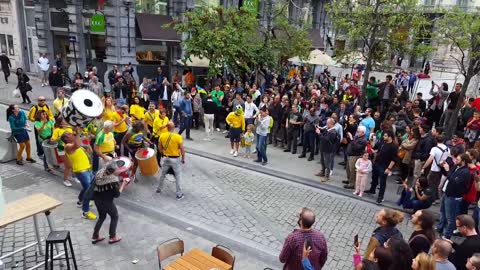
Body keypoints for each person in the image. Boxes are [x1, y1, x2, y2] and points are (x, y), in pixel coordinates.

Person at [61, 129, 97, 220]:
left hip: (87, 169)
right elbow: (77, 144)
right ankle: (85, 212)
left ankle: (80, 201)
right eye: (69, 134)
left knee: (86, 188)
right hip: (82, 171)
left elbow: (83, 147)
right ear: (66, 139)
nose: (71, 133)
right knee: (88, 191)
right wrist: (77, 133)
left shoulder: (74, 144)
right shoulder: (68, 146)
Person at [438, 154, 471, 239]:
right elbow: (448, 175)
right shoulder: (456, 166)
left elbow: (454, 182)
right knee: (443, 212)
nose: (456, 160)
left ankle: (447, 235)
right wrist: (443, 167)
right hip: (447, 193)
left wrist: (448, 170)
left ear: (463, 161)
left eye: (458, 159)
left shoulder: (465, 172)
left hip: (453, 196)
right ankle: (440, 228)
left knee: (451, 217)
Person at [91, 160, 123, 244]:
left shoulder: (99, 172)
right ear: (113, 171)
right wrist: (123, 184)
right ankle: (112, 237)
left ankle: (95, 236)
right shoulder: (113, 181)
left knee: (102, 217)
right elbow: (117, 195)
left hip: (97, 200)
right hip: (107, 202)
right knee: (114, 216)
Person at [365, 130, 399, 204]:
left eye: (385, 135)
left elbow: (394, 159)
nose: (384, 137)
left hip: (384, 165)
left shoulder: (393, 147)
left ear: (390, 137)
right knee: (374, 177)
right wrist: (372, 143)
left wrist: (389, 168)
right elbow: (376, 148)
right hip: (377, 162)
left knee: (382, 182)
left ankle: (381, 196)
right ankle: (372, 189)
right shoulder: (382, 142)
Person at [156, 122, 185, 200]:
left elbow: (159, 148)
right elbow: (182, 149)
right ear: (174, 127)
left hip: (166, 158)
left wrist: (163, 154)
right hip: (175, 159)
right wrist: (183, 158)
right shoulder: (178, 137)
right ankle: (179, 194)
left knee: (163, 174)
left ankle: (158, 189)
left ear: (166, 128)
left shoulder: (162, 135)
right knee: (178, 176)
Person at [422, 134, 450, 202]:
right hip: (442, 168)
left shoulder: (434, 149)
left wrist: (424, 167)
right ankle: (436, 198)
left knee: (430, 183)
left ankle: (430, 198)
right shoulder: (447, 149)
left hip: (434, 168)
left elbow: (430, 159)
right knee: (437, 183)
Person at [315, 118, 339, 182]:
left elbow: (325, 139)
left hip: (328, 150)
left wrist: (319, 133)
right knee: (322, 161)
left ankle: (327, 176)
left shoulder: (333, 132)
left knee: (327, 163)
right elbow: (323, 133)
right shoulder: (328, 129)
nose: (326, 124)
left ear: (331, 124)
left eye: (327, 123)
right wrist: (319, 129)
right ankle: (322, 172)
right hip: (323, 148)